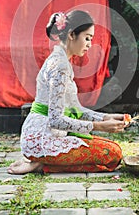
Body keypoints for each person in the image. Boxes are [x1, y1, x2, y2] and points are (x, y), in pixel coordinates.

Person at [8, 10, 127, 175]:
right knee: (112, 154)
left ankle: (41, 162)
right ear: (72, 35)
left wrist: (107, 118)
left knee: (113, 148)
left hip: (41, 134)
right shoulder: (60, 67)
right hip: (43, 138)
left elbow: (75, 109)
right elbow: (56, 120)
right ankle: (42, 164)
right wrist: (100, 126)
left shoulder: (60, 61)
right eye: (87, 38)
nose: (89, 44)